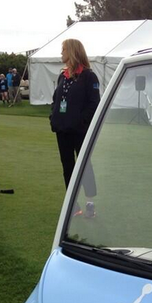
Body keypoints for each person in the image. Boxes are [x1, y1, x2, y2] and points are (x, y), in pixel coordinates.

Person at [50, 39, 100, 216]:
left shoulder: (88, 76)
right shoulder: (62, 75)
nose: (61, 53)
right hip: (62, 130)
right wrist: (53, 117)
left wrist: (80, 121)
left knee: (84, 165)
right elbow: (56, 100)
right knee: (67, 165)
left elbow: (94, 104)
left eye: (63, 50)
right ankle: (73, 204)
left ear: (72, 51)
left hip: (79, 130)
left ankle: (90, 203)